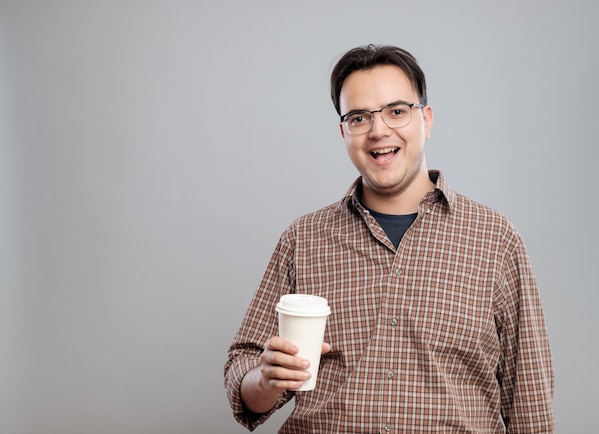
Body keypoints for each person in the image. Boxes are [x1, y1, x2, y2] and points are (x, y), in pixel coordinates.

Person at [224, 44, 554, 433]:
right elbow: (242, 371)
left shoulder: (495, 239)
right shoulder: (304, 240)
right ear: (343, 131)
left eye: (397, 111)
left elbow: (529, 398)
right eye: (359, 117)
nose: (378, 131)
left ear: (426, 119)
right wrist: (264, 379)